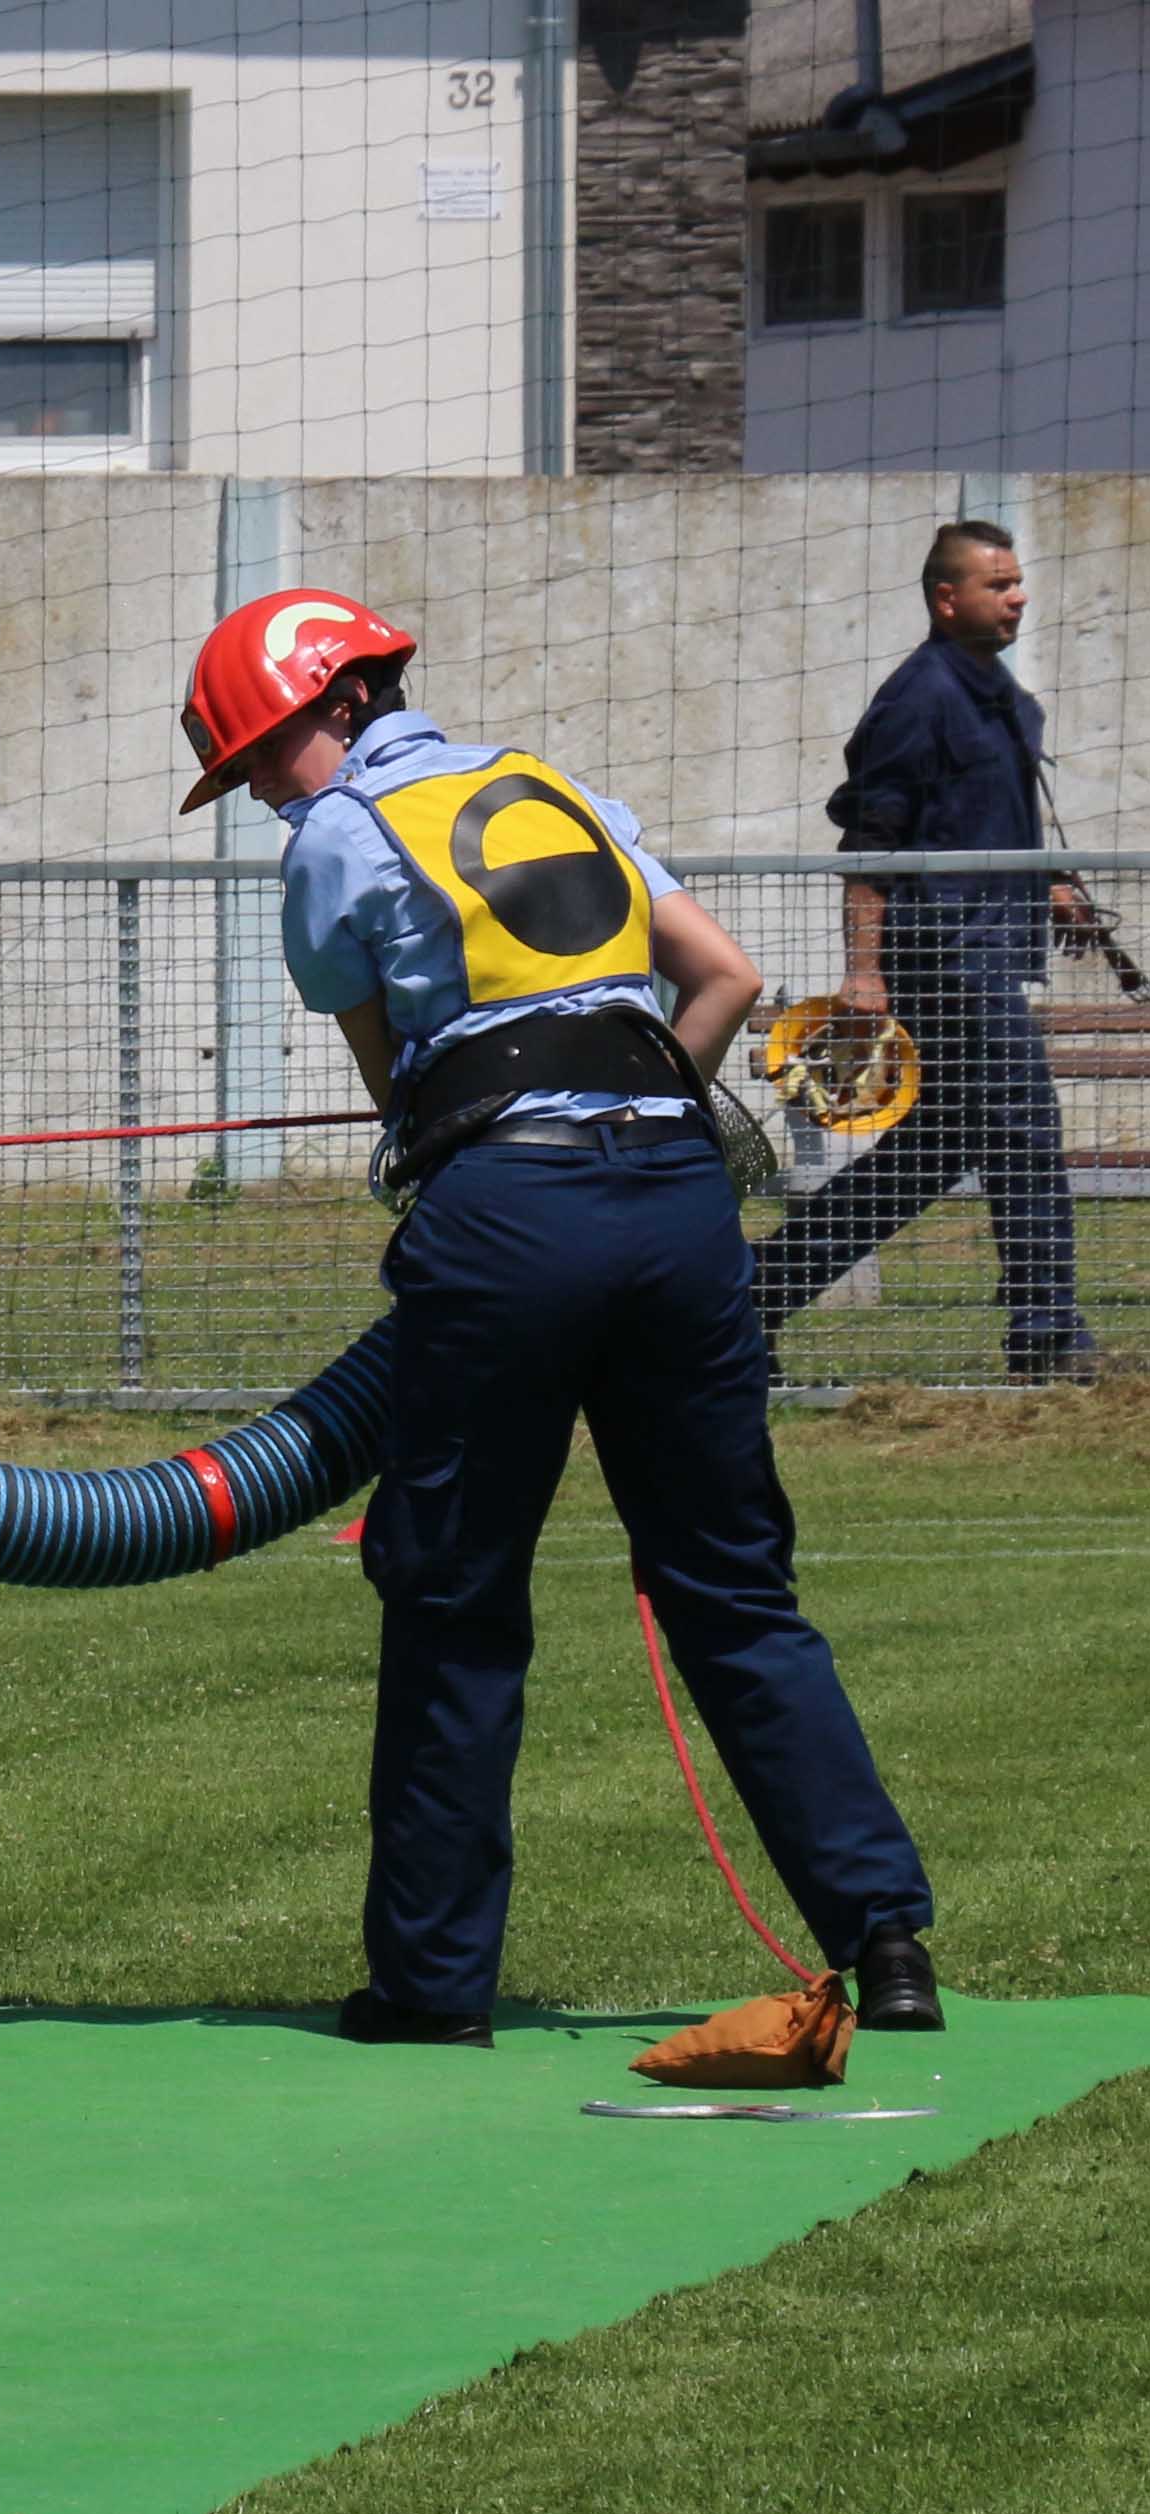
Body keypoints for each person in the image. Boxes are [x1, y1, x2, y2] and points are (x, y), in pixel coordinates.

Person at [173, 587, 944, 2046]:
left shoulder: (337, 841)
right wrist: (651, 1105)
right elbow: (720, 976)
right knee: (731, 1587)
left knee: (455, 1597)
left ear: (336, 704)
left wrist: (495, 1161)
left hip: (501, 1218)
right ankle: (885, 1940)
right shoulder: (555, 788)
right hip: (673, 1204)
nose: (259, 793)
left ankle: (430, 1990)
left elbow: (393, 1087)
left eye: (262, 757)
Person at [750, 520, 1104, 1379]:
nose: (1017, 596)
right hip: (939, 959)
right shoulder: (919, 697)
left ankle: (746, 1302)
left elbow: (990, 815)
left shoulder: (998, 692)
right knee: (1024, 1130)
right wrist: (863, 973)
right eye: (999, 584)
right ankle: (1047, 1336)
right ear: (948, 599)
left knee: (930, 1155)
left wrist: (1052, 884)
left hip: (991, 949)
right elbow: (871, 843)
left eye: (1019, 582)